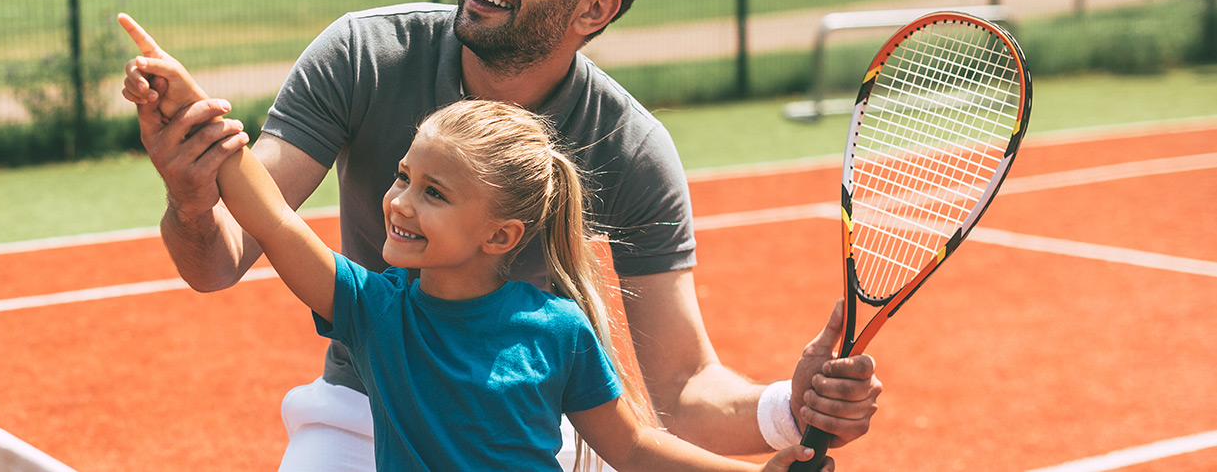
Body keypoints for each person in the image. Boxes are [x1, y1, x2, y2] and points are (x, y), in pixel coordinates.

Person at [119, 0, 881, 468]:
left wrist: (791, 410)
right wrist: (197, 183)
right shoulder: (364, 55)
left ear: (592, 9)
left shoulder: (626, 154)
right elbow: (231, 251)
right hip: (365, 407)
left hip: (524, 428)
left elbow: (673, 401)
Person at [205, 91, 824, 470]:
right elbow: (277, 223)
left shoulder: (557, 328)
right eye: (403, 176)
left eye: (434, 192)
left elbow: (632, 448)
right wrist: (201, 121)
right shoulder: (373, 308)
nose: (398, 202)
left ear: (500, 236)